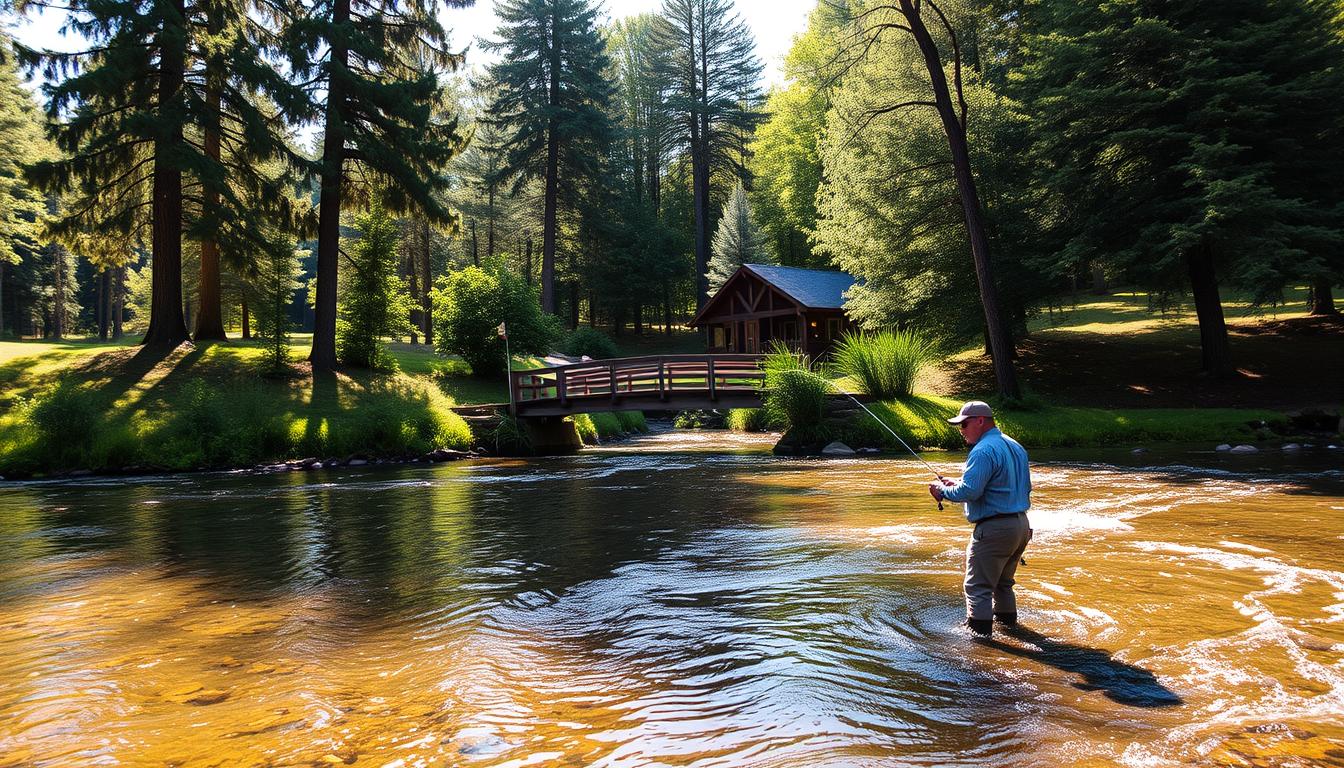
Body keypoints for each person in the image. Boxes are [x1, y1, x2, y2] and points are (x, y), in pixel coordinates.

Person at [928, 401, 1032, 637]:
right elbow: (1016, 487)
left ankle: (981, 647)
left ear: (980, 421)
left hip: (994, 530)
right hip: (1021, 526)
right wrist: (958, 484)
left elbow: (970, 493)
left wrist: (942, 491)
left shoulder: (983, 450)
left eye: (964, 424)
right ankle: (1013, 633)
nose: (961, 430)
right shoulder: (1015, 446)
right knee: (1003, 585)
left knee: (978, 588)